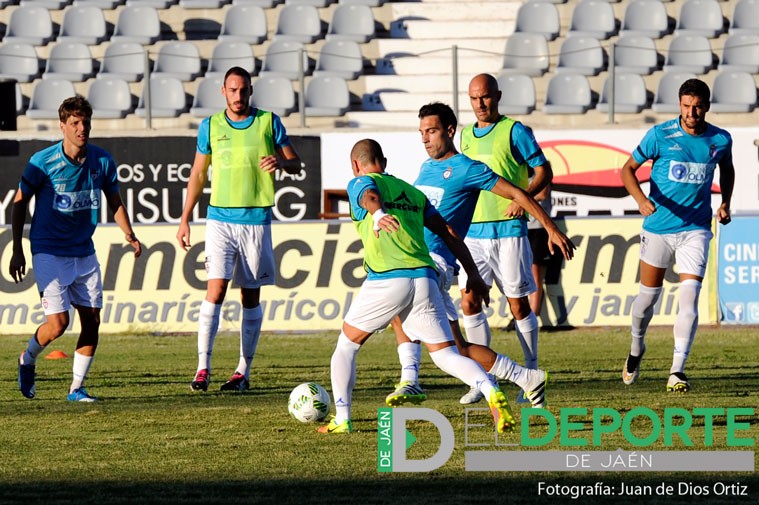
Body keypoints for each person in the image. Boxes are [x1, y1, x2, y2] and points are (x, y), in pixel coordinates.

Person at [318, 139, 515, 435]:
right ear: (383, 160)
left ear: (356, 165)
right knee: (446, 355)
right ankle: (490, 391)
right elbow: (448, 232)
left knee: (345, 346)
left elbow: (369, 195)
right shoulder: (413, 193)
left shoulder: (361, 182)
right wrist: (472, 272)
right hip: (425, 279)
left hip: (388, 278)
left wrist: (378, 213)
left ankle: (342, 418)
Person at [385, 103, 575, 409]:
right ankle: (525, 377)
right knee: (454, 346)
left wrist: (550, 228)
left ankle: (411, 380)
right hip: (419, 260)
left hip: (434, 264)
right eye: (421, 132)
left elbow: (518, 193)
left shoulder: (468, 169)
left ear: (449, 131)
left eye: (431, 131)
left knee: (394, 301)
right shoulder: (425, 169)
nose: (425, 138)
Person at [176, 66, 302, 393]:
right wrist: (185, 217)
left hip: (256, 219)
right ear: (223, 91)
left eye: (243, 90)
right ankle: (202, 368)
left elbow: (296, 163)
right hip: (219, 219)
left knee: (250, 296)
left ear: (250, 91)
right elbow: (198, 175)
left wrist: (281, 162)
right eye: (232, 90)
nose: (238, 96)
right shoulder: (211, 126)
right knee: (214, 290)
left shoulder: (268, 122)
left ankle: (242, 372)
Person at [10, 95, 142, 402]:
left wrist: (129, 233)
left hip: (84, 250)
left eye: (86, 122)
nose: (82, 128)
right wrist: (17, 248)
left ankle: (76, 388)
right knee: (58, 325)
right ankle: (27, 359)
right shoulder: (42, 163)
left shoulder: (103, 161)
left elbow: (114, 201)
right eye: (75, 123)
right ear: (62, 126)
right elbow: (19, 203)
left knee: (92, 320)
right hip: (49, 251)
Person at [620, 78, 734, 393]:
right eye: (686, 106)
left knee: (689, 298)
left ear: (707, 106)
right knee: (647, 299)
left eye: (697, 106)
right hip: (658, 229)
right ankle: (636, 349)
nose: (691, 112)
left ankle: (677, 371)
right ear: (679, 105)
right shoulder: (660, 135)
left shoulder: (721, 139)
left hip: (696, 229)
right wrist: (641, 201)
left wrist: (725, 201)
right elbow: (627, 170)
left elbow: (728, 168)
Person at [457, 73, 553, 404]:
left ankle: (532, 373)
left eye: (485, 97)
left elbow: (544, 171)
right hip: (473, 232)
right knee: (469, 301)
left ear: (497, 96)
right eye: (473, 98)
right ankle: (479, 379)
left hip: (509, 230)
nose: (480, 104)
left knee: (518, 305)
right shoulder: (466, 135)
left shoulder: (515, 131)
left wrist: (522, 196)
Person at [526, 174, 563, 326]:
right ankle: (524, 314)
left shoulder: (540, 173)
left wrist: (518, 196)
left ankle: (532, 316)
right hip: (522, 228)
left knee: (535, 275)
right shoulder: (519, 173)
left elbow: (541, 194)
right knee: (523, 275)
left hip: (539, 229)